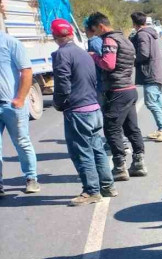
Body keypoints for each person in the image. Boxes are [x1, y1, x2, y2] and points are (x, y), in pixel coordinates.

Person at [50, 19, 117, 206]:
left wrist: (58, 103)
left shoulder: (61, 54)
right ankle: (107, 186)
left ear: (55, 36)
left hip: (78, 110)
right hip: (94, 108)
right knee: (97, 149)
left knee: (82, 152)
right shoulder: (83, 52)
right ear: (71, 33)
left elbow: (62, 84)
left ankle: (91, 191)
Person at [85, 12, 147, 182]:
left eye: (94, 29)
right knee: (131, 127)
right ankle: (139, 162)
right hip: (129, 88)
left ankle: (119, 167)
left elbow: (108, 63)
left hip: (117, 90)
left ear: (100, 26)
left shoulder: (109, 40)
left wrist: (94, 56)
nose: (94, 33)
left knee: (112, 128)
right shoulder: (125, 38)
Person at [0, 31, 39, 197]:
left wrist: (20, 98)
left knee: (22, 142)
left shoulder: (10, 43)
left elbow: (26, 70)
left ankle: (31, 178)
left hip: (11, 104)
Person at [131, 12, 162, 142]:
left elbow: (144, 54)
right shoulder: (150, 33)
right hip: (155, 73)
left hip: (150, 74)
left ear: (134, 23)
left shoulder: (142, 34)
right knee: (158, 102)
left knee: (151, 103)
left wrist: (133, 60)